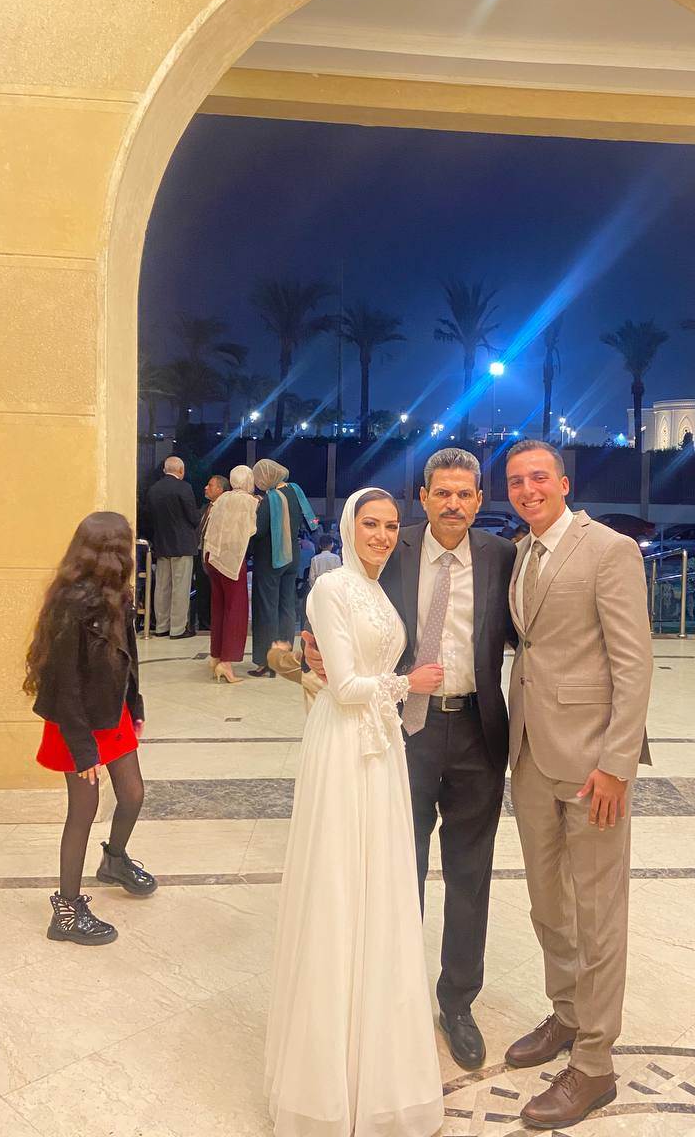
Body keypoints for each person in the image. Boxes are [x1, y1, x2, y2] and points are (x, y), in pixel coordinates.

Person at [303, 448, 517, 1069]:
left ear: (479, 500)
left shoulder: (501, 556)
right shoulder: (390, 549)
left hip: (476, 730)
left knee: (471, 875)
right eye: (441, 492)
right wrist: (309, 649)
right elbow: (341, 613)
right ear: (423, 497)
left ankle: (458, 1002)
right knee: (398, 870)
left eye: (465, 494)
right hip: (403, 732)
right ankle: (392, 997)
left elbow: (533, 631)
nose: (453, 503)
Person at [264, 489, 445, 1137]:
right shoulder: (332, 588)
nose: (382, 535)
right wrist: (408, 684)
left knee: (380, 886)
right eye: (371, 524)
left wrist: (394, 688)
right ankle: (329, 1078)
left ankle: (377, 1056)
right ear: (348, 527)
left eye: (391, 526)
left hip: (381, 743)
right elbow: (343, 687)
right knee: (340, 886)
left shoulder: (374, 589)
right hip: (345, 743)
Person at [503, 439, 652, 1129]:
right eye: (516, 481)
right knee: (547, 905)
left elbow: (634, 662)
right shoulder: (522, 552)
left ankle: (594, 1063)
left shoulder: (608, 550)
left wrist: (618, 764)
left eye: (539, 477)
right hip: (531, 755)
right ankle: (566, 1014)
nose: (528, 489)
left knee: (597, 914)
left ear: (564, 483)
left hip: (593, 764)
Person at [23, 512, 157, 945]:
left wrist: (134, 703)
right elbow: (63, 683)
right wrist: (84, 751)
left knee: (133, 794)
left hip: (111, 712)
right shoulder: (72, 603)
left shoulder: (119, 595)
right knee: (83, 810)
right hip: (74, 720)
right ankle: (66, 911)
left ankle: (114, 860)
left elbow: (127, 657)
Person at [249, 458, 318, 677]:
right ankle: (285, 657)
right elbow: (310, 520)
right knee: (287, 606)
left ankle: (267, 661)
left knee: (266, 609)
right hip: (292, 557)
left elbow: (259, 531)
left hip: (271, 559)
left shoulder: (270, 499)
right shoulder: (295, 490)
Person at [203, 465, 258, 685]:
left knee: (218, 607)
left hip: (212, 556)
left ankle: (216, 655)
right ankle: (226, 663)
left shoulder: (223, 498)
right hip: (231, 560)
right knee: (236, 609)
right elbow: (252, 530)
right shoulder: (249, 502)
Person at [147, 455, 200, 638]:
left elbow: (149, 517)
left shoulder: (154, 489)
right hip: (182, 544)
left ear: (164, 470)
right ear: (181, 470)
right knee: (180, 588)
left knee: (162, 587)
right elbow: (193, 517)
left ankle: (161, 626)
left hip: (161, 543)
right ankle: (178, 628)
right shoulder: (184, 488)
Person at [194, 474, 230, 631]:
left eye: (210, 485)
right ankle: (203, 623)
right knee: (201, 589)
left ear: (220, 489)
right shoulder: (205, 507)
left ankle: (213, 623)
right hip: (200, 554)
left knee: (213, 590)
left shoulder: (226, 509)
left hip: (216, 556)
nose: (206, 488)